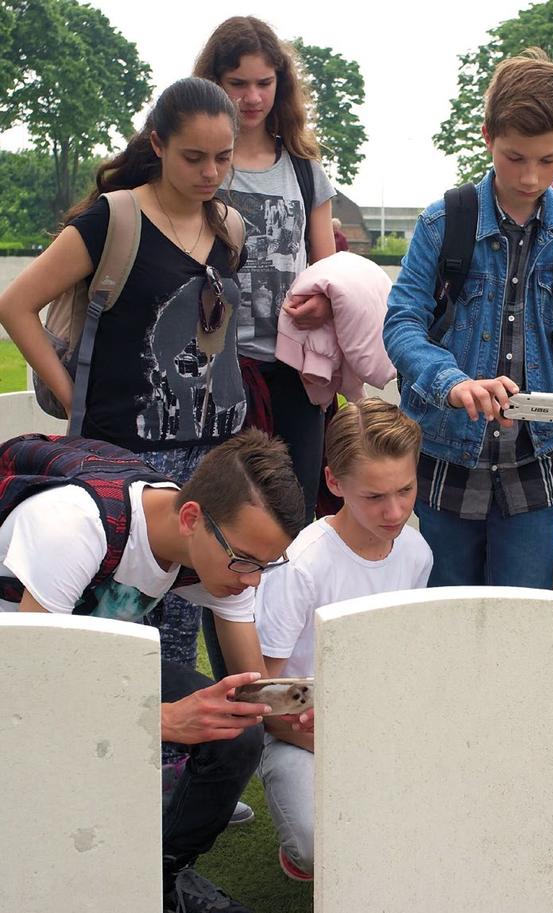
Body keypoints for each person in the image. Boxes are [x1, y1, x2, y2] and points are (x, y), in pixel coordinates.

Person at [0, 429, 306, 913]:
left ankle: (158, 877)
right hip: (15, 673)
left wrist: (298, 710)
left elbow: (255, 695)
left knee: (234, 733)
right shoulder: (76, 527)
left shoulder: (218, 546)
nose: (251, 580)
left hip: (79, 664)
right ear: (191, 518)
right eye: (245, 561)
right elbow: (29, 696)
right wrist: (160, 720)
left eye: (265, 566)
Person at [0, 77, 249, 671]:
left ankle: (171, 762)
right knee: (105, 632)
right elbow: (15, 304)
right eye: (194, 157)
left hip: (205, 456)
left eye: (223, 157)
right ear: (158, 145)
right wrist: (70, 395)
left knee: (178, 634)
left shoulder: (230, 231)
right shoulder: (114, 220)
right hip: (119, 462)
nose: (211, 171)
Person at [383, 48, 553, 589]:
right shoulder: (445, 219)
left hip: (536, 460)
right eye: (516, 158)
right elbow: (402, 324)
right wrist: (453, 383)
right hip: (447, 452)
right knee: (443, 613)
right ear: (489, 136)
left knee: (525, 619)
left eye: (549, 161)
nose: (533, 176)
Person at [253, 399, 432, 881]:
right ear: (334, 483)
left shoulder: (415, 551)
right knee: (320, 846)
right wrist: (332, 740)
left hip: (380, 722)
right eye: (374, 496)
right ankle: (299, 844)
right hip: (301, 731)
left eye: (406, 490)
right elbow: (263, 695)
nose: (394, 510)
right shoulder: (302, 563)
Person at [194, 16, 337, 521]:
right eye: (237, 84)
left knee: (294, 515)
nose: (252, 97)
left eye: (263, 83)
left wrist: (323, 300)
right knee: (222, 514)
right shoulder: (202, 165)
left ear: (281, 84)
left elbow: (329, 266)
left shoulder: (304, 168)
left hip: (295, 371)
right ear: (213, 84)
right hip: (216, 371)